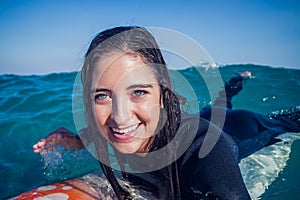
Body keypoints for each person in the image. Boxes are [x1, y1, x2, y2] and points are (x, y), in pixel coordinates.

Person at [32, 26, 299, 199]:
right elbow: (100, 134)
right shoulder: (111, 133)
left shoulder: (205, 149)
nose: (120, 116)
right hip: (201, 118)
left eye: (138, 92)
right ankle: (232, 86)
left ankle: (236, 83)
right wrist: (77, 141)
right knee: (218, 105)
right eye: (102, 95)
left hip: (246, 128)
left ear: (162, 94)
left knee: (286, 121)